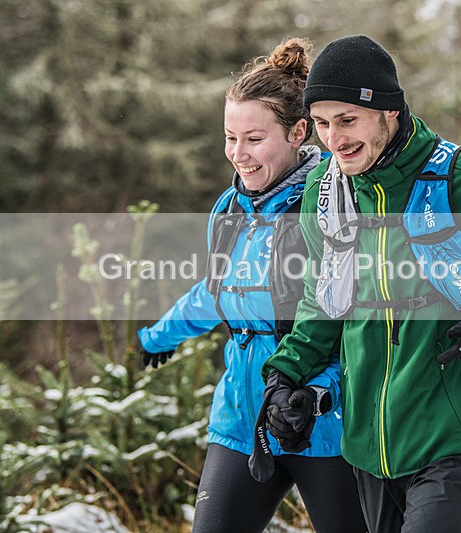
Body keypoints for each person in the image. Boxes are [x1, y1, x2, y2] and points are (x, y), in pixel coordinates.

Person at [259, 35, 461, 532]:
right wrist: (285, 375)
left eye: (347, 120)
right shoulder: (324, 194)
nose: (334, 139)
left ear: (389, 110)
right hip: (368, 448)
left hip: (453, 439)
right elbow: (321, 302)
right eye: (322, 124)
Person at [137, 38, 366, 533]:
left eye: (254, 139)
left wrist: (315, 395)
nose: (238, 154)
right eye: (230, 137)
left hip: (323, 423)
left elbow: (352, 318)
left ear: (298, 132)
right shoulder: (230, 208)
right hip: (241, 419)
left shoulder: (333, 204)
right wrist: (158, 335)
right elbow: (219, 289)